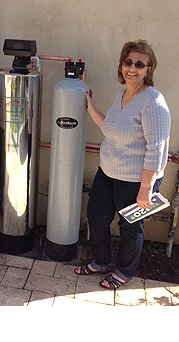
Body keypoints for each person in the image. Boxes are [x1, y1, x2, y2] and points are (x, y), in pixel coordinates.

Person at [74, 39, 171, 289]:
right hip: (108, 171)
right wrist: (91, 107)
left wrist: (146, 189)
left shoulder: (153, 101)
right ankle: (101, 262)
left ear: (149, 69)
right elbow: (110, 127)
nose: (132, 68)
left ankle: (124, 272)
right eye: (128, 62)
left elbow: (157, 148)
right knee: (96, 217)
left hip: (136, 179)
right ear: (121, 65)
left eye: (140, 64)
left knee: (130, 227)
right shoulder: (122, 94)